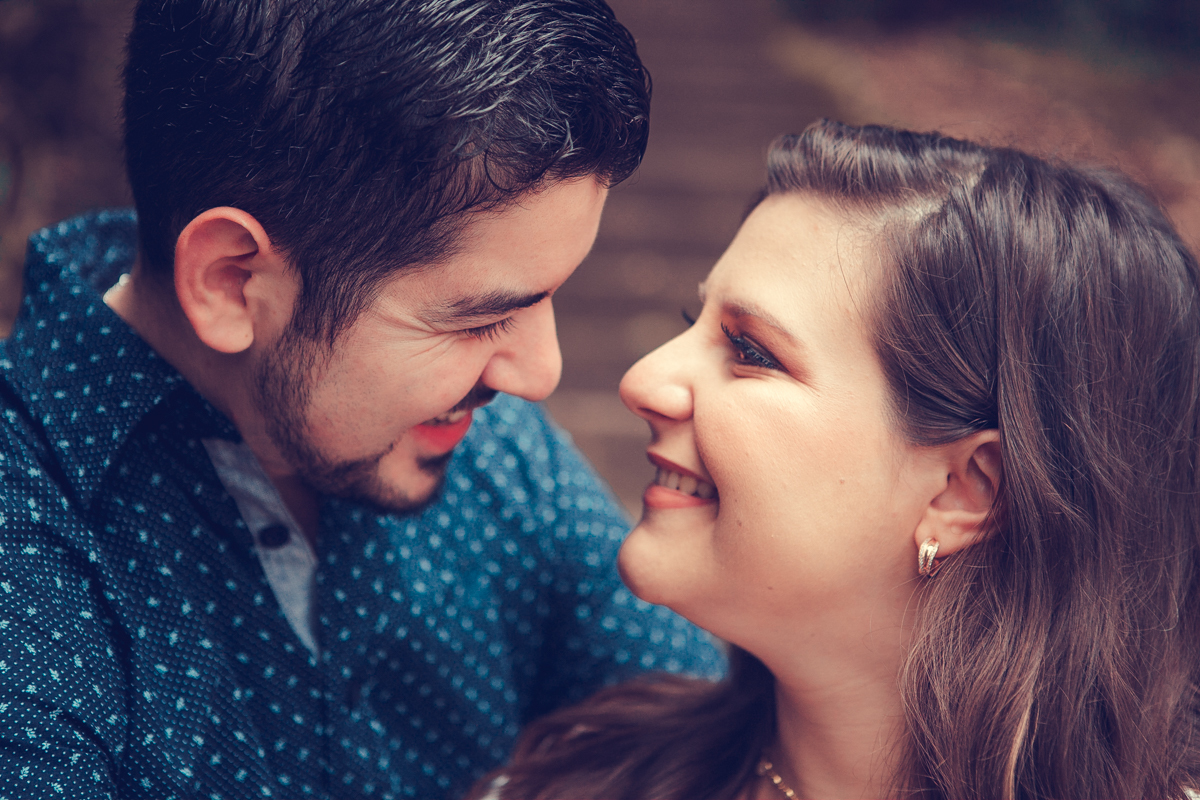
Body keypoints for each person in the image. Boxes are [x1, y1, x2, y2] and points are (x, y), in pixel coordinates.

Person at [0, 1, 723, 798]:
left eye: (548, 298)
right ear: (233, 281)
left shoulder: (496, 453)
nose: (538, 374)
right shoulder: (28, 559)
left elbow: (704, 731)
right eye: (480, 319)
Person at [471, 119, 1200, 799]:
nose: (643, 380)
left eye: (751, 351)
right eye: (692, 322)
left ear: (963, 491)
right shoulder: (572, 778)